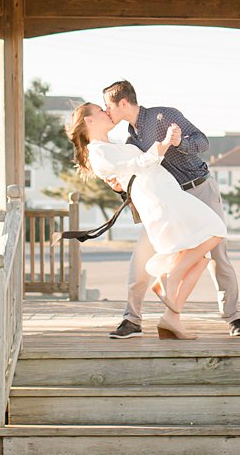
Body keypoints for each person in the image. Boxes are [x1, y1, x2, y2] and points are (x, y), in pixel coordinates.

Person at [101, 80, 240, 340]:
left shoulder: (163, 115)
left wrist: (179, 142)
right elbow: (137, 174)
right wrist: (117, 186)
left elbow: (202, 142)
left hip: (199, 190)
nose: (106, 112)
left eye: (108, 106)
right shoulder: (130, 139)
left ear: (123, 103)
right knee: (142, 256)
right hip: (167, 202)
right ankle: (131, 319)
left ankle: (234, 317)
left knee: (217, 255)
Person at [65, 103, 224, 339]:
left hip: (165, 193)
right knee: (215, 229)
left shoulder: (113, 146)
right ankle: (169, 277)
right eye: (101, 110)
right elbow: (138, 165)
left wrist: (162, 147)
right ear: (89, 121)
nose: (106, 113)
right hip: (158, 198)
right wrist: (164, 143)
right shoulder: (97, 152)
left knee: (200, 259)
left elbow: (134, 168)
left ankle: (171, 318)